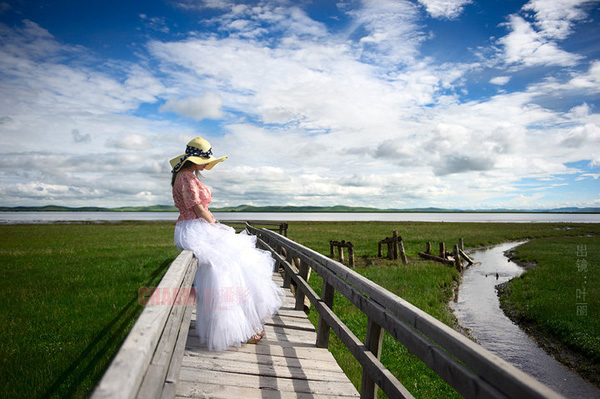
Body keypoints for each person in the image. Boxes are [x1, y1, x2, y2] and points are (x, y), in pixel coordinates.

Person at [169, 137, 284, 351]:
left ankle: (244, 324)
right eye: (205, 160)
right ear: (195, 160)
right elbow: (198, 209)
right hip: (195, 228)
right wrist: (215, 225)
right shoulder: (185, 178)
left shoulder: (187, 175)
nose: (207, 164)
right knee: (225, 268)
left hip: (198, 226)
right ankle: (234, 327)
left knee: (238, 264)